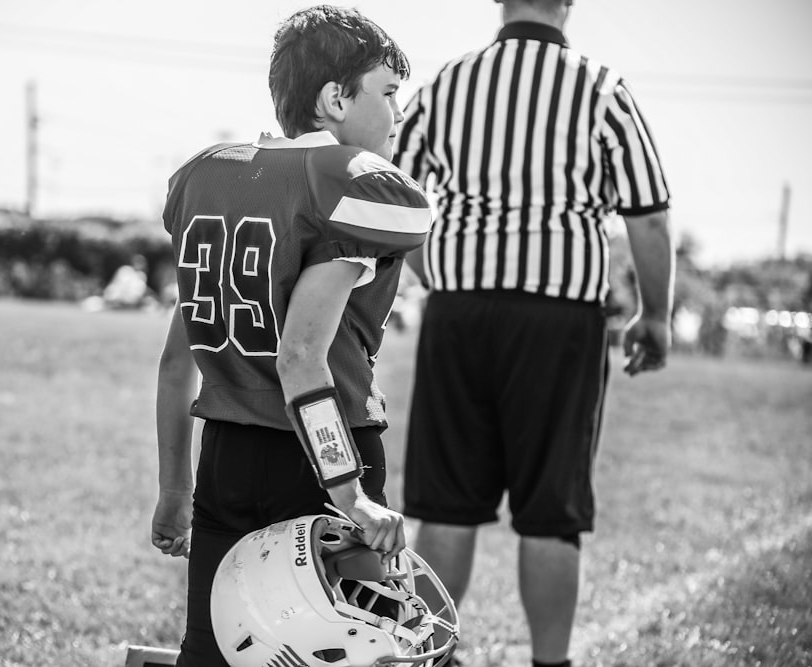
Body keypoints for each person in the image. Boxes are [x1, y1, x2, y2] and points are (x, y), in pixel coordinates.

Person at [392, 1, 674, 666]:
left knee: (448, 502)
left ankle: (432, 654)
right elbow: (650, 217)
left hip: (459, 311)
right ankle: (550, 662)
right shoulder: (602, 87)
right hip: (560, 319)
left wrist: (431, 266)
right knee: (552, 508)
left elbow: (390, 192)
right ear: (568, 4)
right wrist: (655, 315)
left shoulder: (447, 83)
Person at [149, 6, 432, 666]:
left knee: (216, 649)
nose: (397, 114)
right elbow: (301, 356)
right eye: (388, 93)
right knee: (354, 651)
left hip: (225, 457)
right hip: (319, 459)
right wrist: (349, 492)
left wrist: (172, 488)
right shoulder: (355, 186)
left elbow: (173, 362)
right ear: (336, 98)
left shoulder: (209, 175)